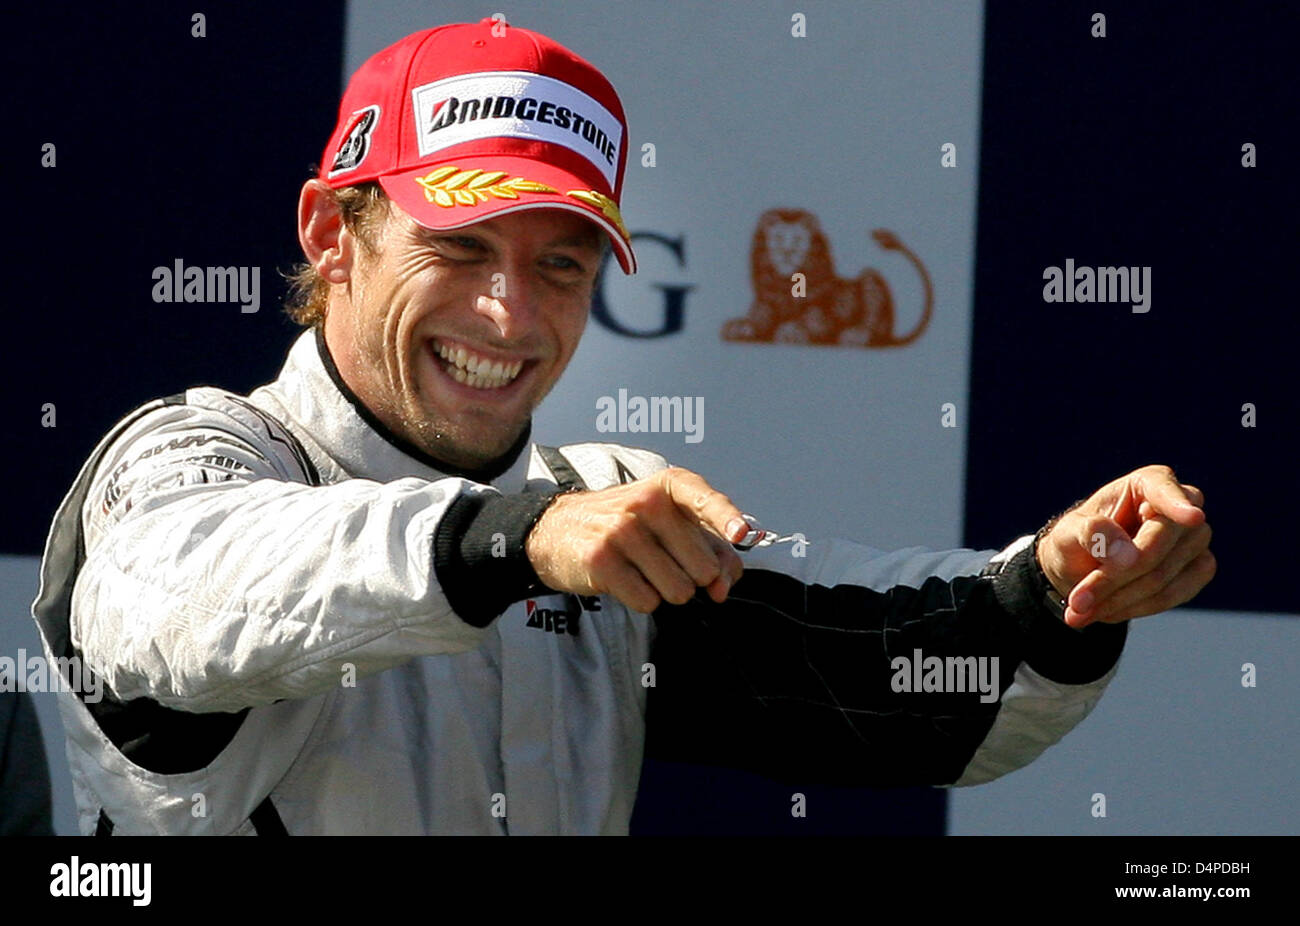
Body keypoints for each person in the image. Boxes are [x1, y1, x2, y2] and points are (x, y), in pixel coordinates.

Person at [30, 19, 1214, 835]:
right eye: (459, 247)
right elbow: (180, 606)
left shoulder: (601, 509)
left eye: (560, 261)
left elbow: (887, 679)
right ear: (333, 237)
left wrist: (1059, 586)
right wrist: (516, 538)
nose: (509, 309)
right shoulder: (194, 457)